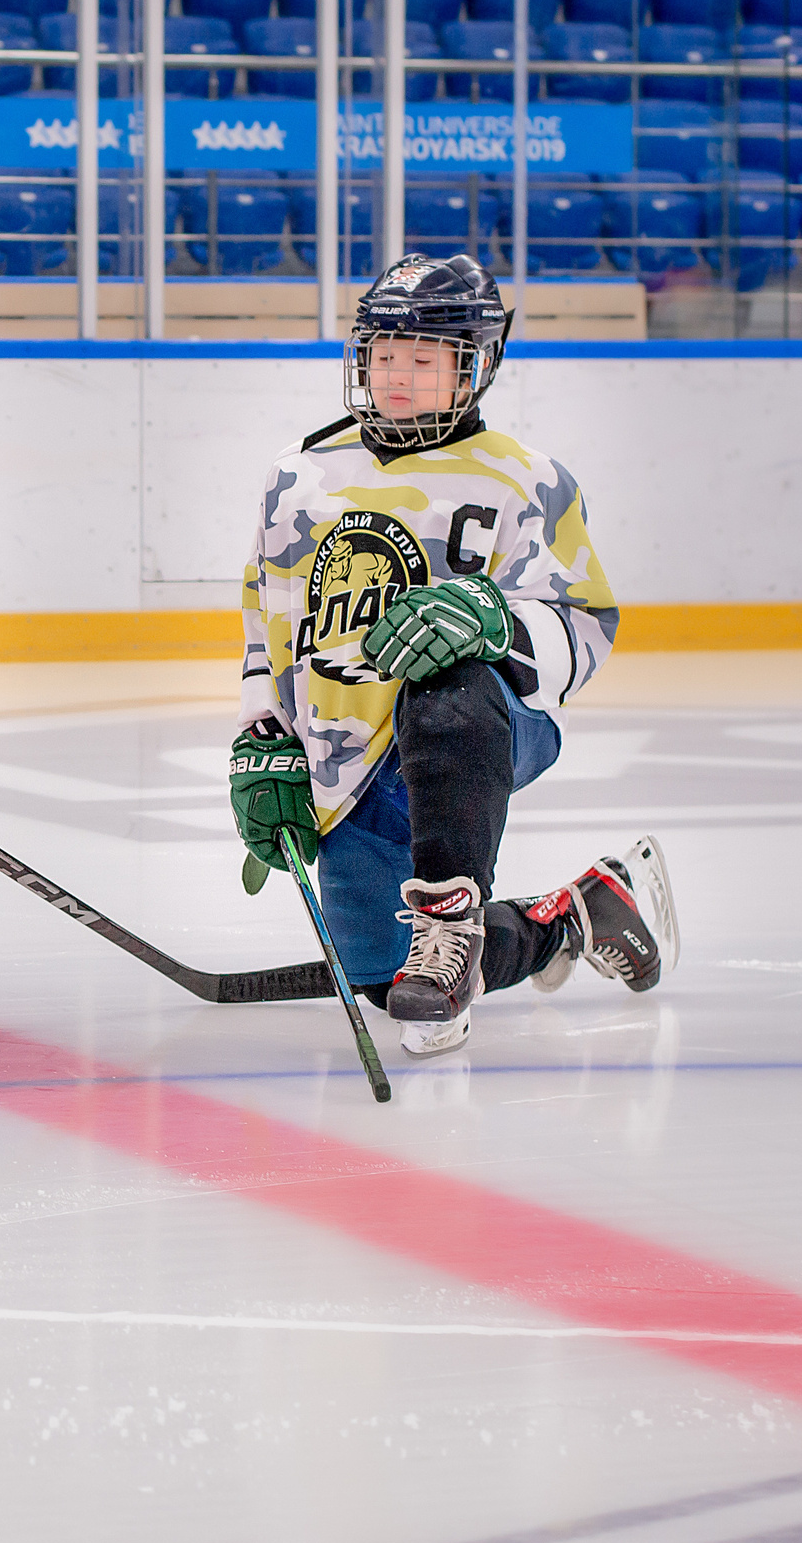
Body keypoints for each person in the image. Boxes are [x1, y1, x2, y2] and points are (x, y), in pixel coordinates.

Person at [231, 254, 678, 1058]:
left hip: (483, 727)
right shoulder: (297, 476)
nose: (398, 375)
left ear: (475, 365)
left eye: (424, 357)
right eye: (384, 353)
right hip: (351, 757)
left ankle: (449, 921)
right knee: (384, 980)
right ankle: (575, 916)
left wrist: (496, 620)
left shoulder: (527, 480)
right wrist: (265, 734)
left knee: (447, 678)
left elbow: (586, 625)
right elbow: (267, 617)